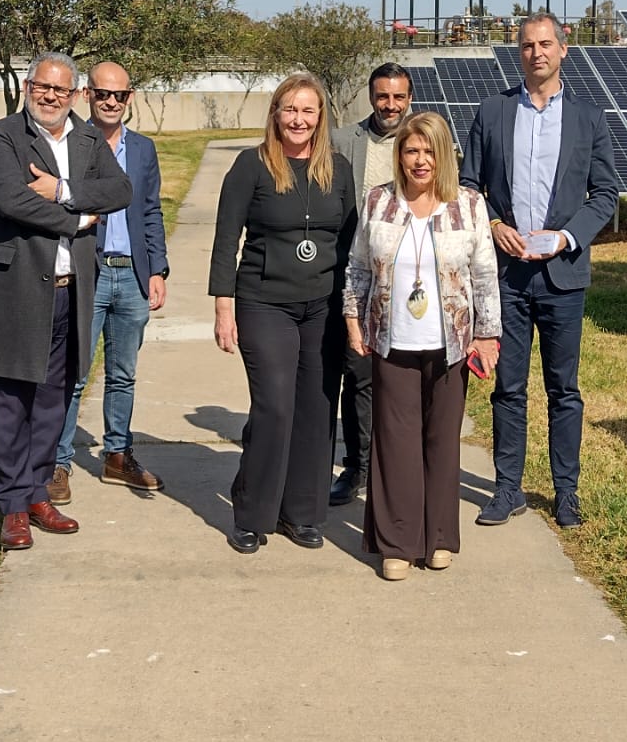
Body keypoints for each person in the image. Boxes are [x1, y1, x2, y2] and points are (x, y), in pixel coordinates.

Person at [0, 53, 132, 551]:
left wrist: (60, 189)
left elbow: (119, 189)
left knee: (53, 398)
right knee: (9, 399)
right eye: (43, 86)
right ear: (27, 86)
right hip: (16, 288)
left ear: (75, 94)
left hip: (69, 289)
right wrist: (77, 219)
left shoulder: (87, 139)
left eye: (61, 89)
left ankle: (38, 493)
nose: (51, 96)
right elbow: (11, 201)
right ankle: (13, 506)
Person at [461, 15, 619, 528]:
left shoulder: (588, 119)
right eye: (528, 45)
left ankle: (565, 492)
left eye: (545, 44)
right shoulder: (493, 112)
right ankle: (507, 489)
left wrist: (567, 237)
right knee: (508, 387)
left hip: (562, 277)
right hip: (506, 275)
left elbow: (605, 194)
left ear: (563, 49)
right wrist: (494, 225)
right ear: (519, 52)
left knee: (563, 389)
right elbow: (469, 187)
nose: (537, 53)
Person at [343, 111, 500, 581]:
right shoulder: (378, 202)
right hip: (392, 341)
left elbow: (484, 276)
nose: (420, 160)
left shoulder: (468, 205)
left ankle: (438, 537)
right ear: (399, 155)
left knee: (441, 443)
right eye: (411, 150)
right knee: (395, 444)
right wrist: (353, 320)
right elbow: (357, 267)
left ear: (444, 155)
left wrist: (487, 335)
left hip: (451, 344)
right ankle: (397, 543)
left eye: (429, 150)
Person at [208, 72, 357, 554]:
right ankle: (252, 513)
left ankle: (302, 512)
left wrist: (356, 308)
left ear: (320, 116)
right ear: (275, 113)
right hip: (264, 302)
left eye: (308, 110)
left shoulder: (337, 168)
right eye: (290, 109)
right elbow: (226, 239)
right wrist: (224, 307)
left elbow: (350, 240)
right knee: (275, 406)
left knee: (316, 408)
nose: (298, 119)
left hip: (324, 307)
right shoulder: (250, 166)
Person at [51, 61, 167, 500]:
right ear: (87, 95)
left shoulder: (143, 149)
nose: (112, 102)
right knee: (74, 373)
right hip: (88, 272)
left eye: (120, 95)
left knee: (123, 373)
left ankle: (117, 455)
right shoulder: (71, 144)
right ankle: (57, 463)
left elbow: (151, 210)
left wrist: (156, 269)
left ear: (130, 97)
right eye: (103, 94)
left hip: (132, 274)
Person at [329, 62, 415, 506]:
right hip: (359, 279)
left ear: (409, 99)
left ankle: (397, 467)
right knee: (359, 376)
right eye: (383, 96)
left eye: (398, 97)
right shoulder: (343, 141)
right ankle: (357, 467)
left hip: (412, 280)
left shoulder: (423, 141)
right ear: (371, 96)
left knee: (403, 381)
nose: (390, 105)